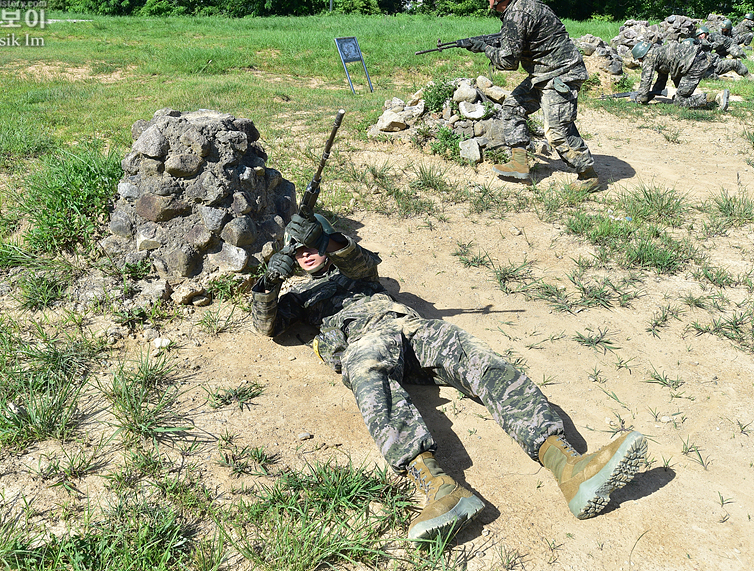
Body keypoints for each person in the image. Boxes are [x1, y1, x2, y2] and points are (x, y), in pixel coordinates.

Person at [251, 212, 649, 542]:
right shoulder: (298, 299)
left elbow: (364, 262)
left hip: (409, 328)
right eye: (296, 249)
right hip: (364, 342)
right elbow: (266, 326)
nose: (305, 254)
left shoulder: (352, 272)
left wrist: (331, 238)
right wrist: (269, 283)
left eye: (311, 244)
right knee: (367, 376)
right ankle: (440, 487)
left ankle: (568, 466)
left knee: (484, 363)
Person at [462, 0, 599, 191]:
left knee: (557, 130)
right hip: (543, 74)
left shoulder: (517, 13)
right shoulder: (521, 6)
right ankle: (519, 162)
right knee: (513, 106)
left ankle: (587, 174)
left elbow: (508, 62)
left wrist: (485, 49)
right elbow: (516, 41)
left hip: (561, 74)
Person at [632, 40, 729, 110]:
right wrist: (650, 95)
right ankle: (700, 99)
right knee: (681, 94)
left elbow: (646, 79)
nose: (640, 62)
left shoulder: (649, 57)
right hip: (699, 59)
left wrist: (641, 98)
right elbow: (661, 80)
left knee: (679, 101)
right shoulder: (659, 52)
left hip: (694, 64)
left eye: (639, 59)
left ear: (641, 55)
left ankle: (716, 97)